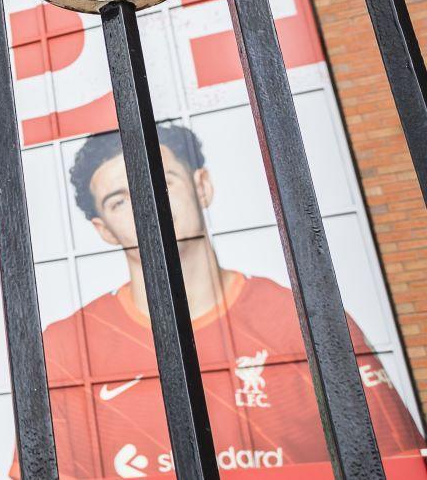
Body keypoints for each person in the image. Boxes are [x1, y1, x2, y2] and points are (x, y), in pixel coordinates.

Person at [26, 126, 423, 476]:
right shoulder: (66, 349)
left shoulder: (303, 324)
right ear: (104, 230)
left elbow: (399, 466)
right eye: (119, 200)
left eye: (161, 181)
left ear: (203, 186)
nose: (147, 203)